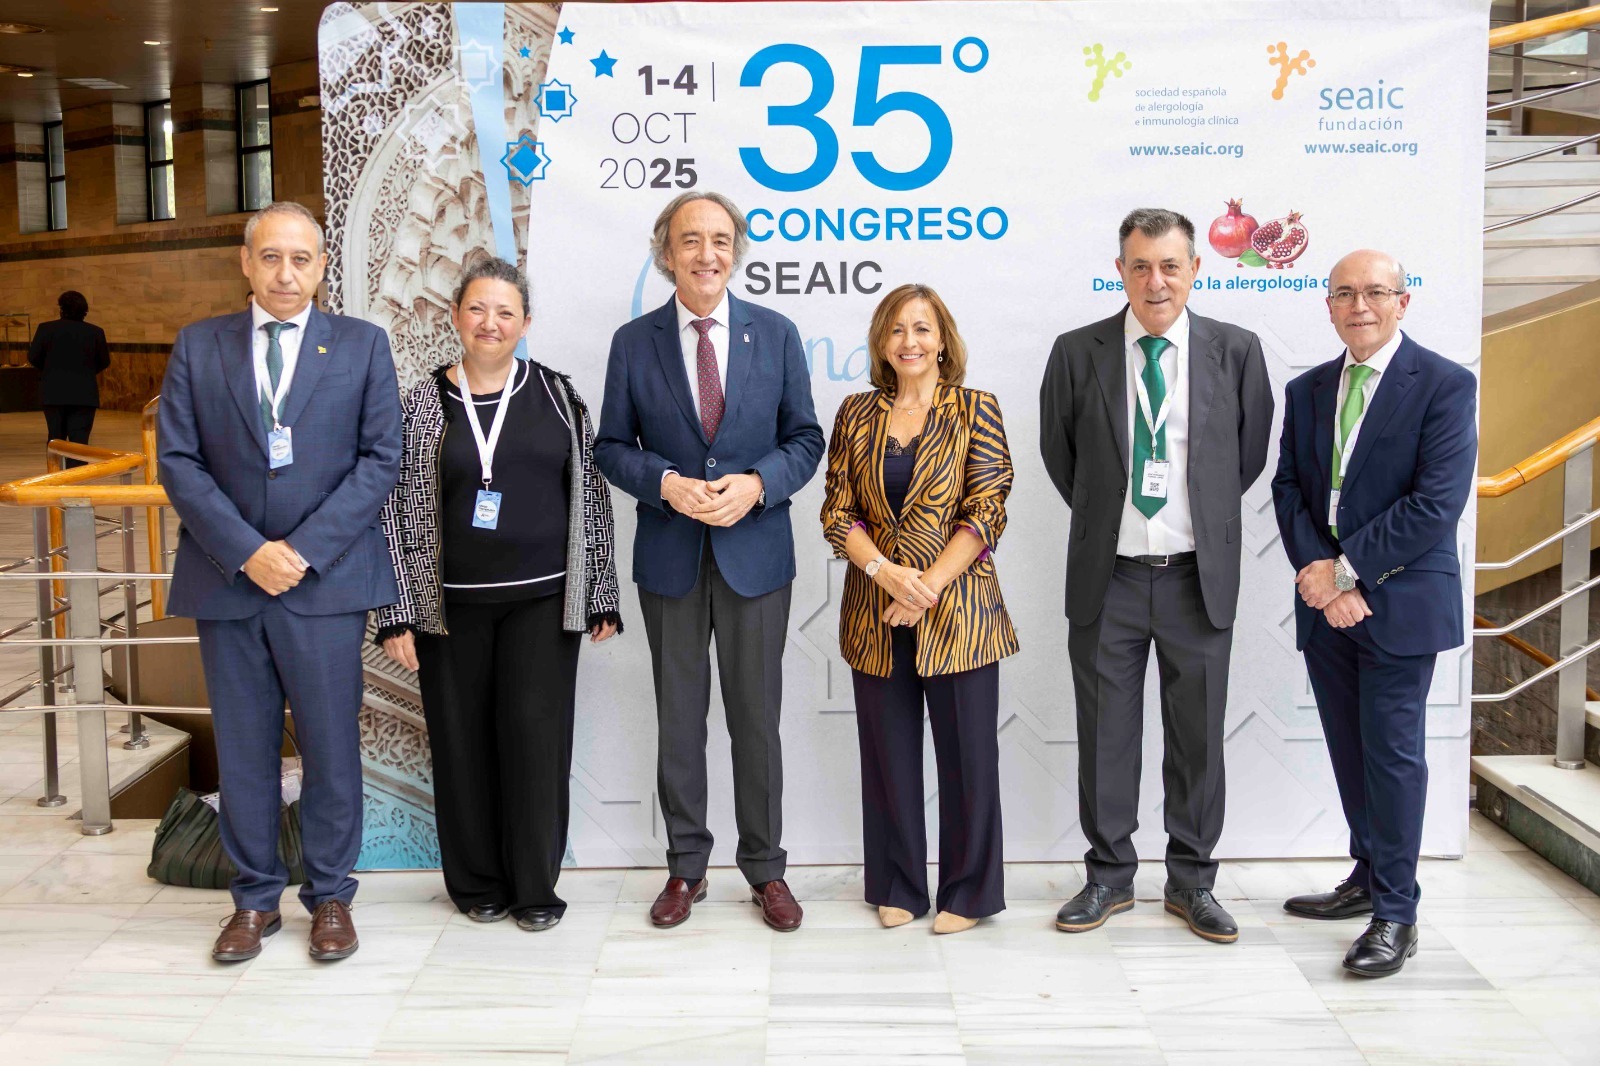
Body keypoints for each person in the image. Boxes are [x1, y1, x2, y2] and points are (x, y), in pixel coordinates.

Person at [157, 200, 402, 963]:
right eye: (270, 257)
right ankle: (254, 899)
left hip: (323, 586)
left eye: (300, 259)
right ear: (246, 262)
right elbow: (178, 462)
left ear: (322, 266)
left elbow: (380, 460)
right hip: (228, 584)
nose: (285, 273)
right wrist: (247, 551)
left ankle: (330, 896)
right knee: (244, 748)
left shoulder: (362, 345)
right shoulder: (199, 346)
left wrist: (299, 550)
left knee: (330, 746)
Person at [1039, 208, 1273, 943]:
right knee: (1106, 734)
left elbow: (1245, 458)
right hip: (1107, 577)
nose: (1156, 281)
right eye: (1140, 266)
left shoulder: (1237, 351)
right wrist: (1116, 517)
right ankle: (1109, 877)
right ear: (1121, 271)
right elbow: (1061, 457)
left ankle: (1192, 881)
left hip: (1196, 579)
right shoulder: (1076, 352)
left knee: (1198, 738)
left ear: (1195, 269)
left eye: (1170, 265)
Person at [595, 190, 824, 931]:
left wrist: (757, 484)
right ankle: (685, 868)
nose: (707, 254)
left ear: (736, 251)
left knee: (756, 721)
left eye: (720, 240)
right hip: (672, 559)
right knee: (679, 721)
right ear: (666, 254)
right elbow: (609, 448)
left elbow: (805, 440)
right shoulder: (634, 342)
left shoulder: (776, 334)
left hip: (757, 557)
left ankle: (767, 870)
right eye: (691, 240)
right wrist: (663, 483)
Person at [374, 255, 623, 933]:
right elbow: (392, 510)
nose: (491, 322)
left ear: (526, 323)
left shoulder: (558, 395)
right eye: (478, 309)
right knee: (462, 748)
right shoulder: (421, 403)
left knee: (536, 747)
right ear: (455, 316)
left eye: (505, 311)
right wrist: (397, 613)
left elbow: (590, 495)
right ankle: (477, 883)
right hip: (448, 610)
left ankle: (535, 886)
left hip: (543, 603)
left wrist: (600, 591)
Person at [1271, 249, 1476, 977]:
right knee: (1350, 750)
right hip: (1327, 605)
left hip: (1400, 604)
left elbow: (1435, 503)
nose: (1360, 305)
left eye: (1376, 292)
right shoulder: (1306, 389)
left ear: (1402, 302)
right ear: (1328, 305)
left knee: (1392, 757)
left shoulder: (1444, 384)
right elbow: (1289, 487)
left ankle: (1397, 913)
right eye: (1345, 293)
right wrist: (1322, 580)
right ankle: (1367, 876)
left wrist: (1347, 570)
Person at [820, 284, 1017, 935]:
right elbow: (837, 512)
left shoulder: (976, 409)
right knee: (888, 760)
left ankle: (969, 892)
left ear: (942, 341)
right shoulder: (855, 413)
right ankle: (898, 884)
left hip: (959, 614)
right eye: (897, 329)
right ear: (882, 342)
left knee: (969, 760)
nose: (910, 341)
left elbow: (987, 509)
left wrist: (924, 587)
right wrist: (885, 574)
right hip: (875, 616)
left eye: (923, 328)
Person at [28, 289, 111, 456]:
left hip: (53, 394)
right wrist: (86, 372)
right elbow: (104, 361)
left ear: (61, 309)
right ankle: (77, 471)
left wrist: (50, 371)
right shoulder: (95, 332)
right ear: (85, 311)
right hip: (84, 395)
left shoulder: (46, 329)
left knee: (55, 440)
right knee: (80, 444)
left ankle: (56, 471)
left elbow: (33, 357)